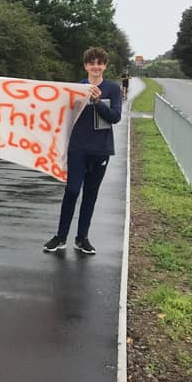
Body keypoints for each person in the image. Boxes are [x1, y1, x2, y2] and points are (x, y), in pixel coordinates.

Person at [43, 47, 123, 256]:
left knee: (90, 194)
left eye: (100, 63)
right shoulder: (75, 88)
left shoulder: (112, 89)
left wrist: (97, 102)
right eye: (91, 63)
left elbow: (115, 117)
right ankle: (61, 237)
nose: (96, 66)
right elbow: (59, 111)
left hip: (101, 149)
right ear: (85, 66)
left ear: (105, 66)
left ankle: (82, 238)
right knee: (72, 191)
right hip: (77, 148)